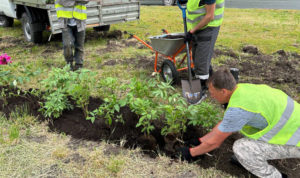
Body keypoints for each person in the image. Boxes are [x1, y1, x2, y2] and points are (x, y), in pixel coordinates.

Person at [178, 68, 300, 178]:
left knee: (241, 148)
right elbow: (225, 124)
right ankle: (250, 159)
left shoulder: (238, 109)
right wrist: (201, 141)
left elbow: (214, 143)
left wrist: (190, 153)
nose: (212, 96)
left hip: (295, 140)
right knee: (244, 143)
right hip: (291, 125)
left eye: (212, 92)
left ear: (224, 91)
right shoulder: (242, 89)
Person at [184, 0, 225, 93]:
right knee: (198, 56)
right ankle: (209, 77)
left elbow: (210, 16)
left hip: (209, 26)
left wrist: (191, 31)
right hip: (198, 26)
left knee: (201, 61)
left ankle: (202, 87)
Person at [55, 0, 88, 70]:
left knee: (80, 46)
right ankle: (69, 64)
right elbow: (62, 1)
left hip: (80, 20)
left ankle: (79, 65)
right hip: (65, 21)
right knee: (67, 45)